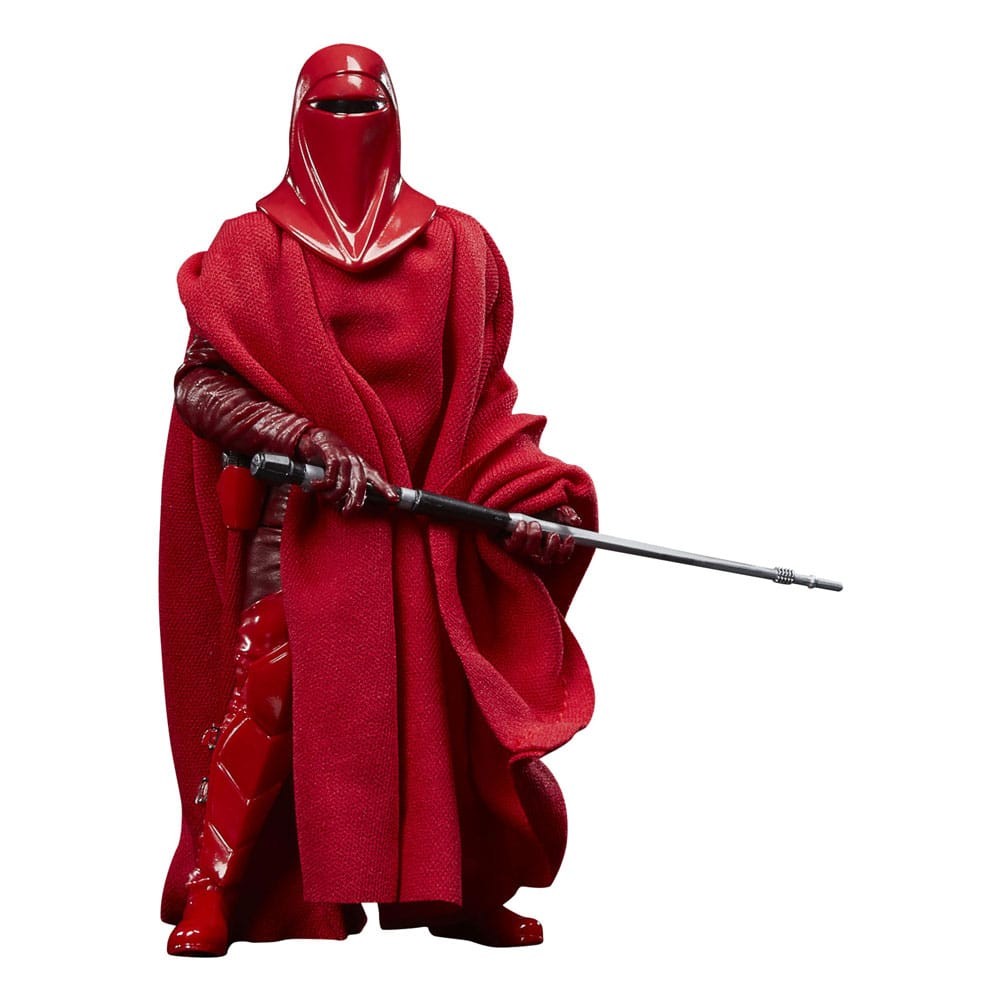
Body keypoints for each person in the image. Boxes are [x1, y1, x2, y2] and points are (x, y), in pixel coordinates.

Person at [160, 43, 597, 955]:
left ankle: (460, 890)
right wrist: (305, 439)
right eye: (331, 108)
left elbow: (481, 405)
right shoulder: (253, 247)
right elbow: (200, 387)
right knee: (269, 693)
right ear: (298, 118)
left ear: (393, 116)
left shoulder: (459, 248)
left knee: (450, 704)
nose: (349, 126)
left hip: (425, 523)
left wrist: (532, 504)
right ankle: (219, 889)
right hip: (303, 519)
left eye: (365, 108)